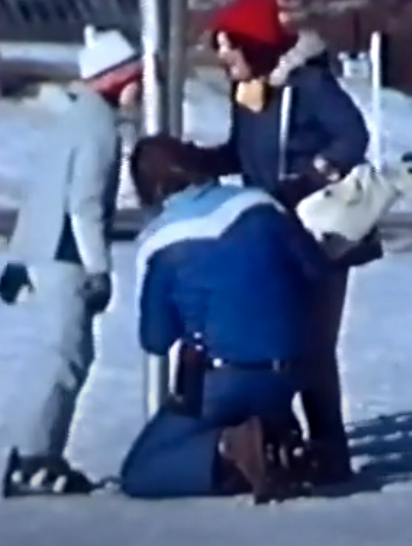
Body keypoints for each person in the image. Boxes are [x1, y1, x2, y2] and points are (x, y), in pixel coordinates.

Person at [188, 0, 376, 484]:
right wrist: (199, 161)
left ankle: (330, 450)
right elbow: (242, 154)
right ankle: (283, 442)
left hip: (321, 231)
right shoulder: (247, 95)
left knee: (312, 343)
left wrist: (311, 175)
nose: (223, 56)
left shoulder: (308, 84)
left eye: (230, 45)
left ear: (258, 44)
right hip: (269, 233)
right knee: (277, 338)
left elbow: (353, 138)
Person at [119, 135, 333, 501]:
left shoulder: (163, 240)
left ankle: (235, 451)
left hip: (222, 377)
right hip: (294, 369)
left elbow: (155, 339)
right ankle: (274, 447)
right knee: (257, 401)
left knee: (143, 471)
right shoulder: (260, 204)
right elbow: (316, 270)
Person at [0, 29, 142, 497]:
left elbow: (40, 190)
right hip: (67, 257)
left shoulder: (69, 119)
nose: (141, 84)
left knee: (55, 358)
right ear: (115, 78)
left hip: (44, 252)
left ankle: (35, 451)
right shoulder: (99, 127)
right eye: (135, 74)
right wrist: (98, 269)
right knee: (66, 359)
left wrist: (20, 258)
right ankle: (35, 459)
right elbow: (83, 203)